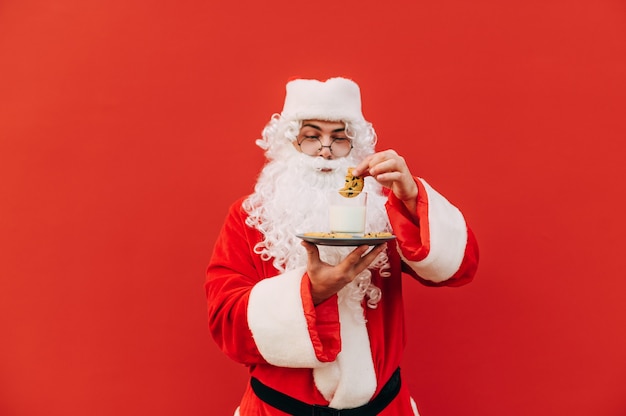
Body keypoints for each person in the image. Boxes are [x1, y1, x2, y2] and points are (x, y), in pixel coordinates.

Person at [205, 77, 479, 416]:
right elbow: (226, 324)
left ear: (356, 147)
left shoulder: (384, 211)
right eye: (311, 137)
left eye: (339, 139)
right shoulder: (248, 217)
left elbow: (461, 268)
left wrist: (410, 198)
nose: (325, 149)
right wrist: (311, 292)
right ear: (290, 143)